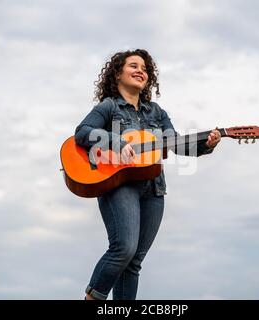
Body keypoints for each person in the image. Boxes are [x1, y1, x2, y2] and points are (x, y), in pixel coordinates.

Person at [74, 49, 221, 300]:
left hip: (154, 189)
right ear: (117, 74)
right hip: (119, 184)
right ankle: (93, 298)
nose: (140, 70)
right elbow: (82, 132)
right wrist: (117, 142)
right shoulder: (109, 107)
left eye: (144, 68)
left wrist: (207, 144)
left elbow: (176, 144)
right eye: (133, 66)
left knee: (134, 261)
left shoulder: (157, 112)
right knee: (124, 248)